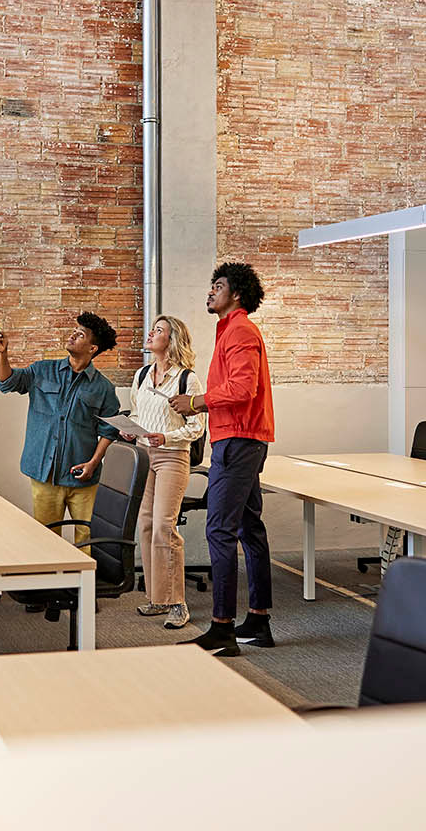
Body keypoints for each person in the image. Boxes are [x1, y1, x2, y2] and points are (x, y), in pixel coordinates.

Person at [170, 263, 275, 657]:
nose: (211, 291)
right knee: (250, 528)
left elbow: (243, 388)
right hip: (242, 439)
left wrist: (196, 402)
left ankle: (222, 629)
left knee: (220, 530)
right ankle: (259, 620)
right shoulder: (231, 331)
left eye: (219, 286)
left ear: (237, 294)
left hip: (238, 441)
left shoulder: (241, 331)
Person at [0, 312, 122, 590]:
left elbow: (109, 430)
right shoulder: (42, 371)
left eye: (81, 334)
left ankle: (83, 594)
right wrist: (3, 355)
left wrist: (94, 461)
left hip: (82, 476)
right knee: (44, 537)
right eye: (74, 331)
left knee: (85, 539)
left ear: (92, 348)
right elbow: (8, 383)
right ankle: (43, 590)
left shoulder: (103, 388)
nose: (73, 335)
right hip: (45, 472)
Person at [121, 315, 206, 631]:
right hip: (144, 455)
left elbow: (196, 427)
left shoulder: (187, 380)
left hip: (172, 457)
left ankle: (177, 603)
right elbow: (137, 411)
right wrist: (133, 429)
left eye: (158, 330)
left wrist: (165, 437)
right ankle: (158, 597)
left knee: (164, 528)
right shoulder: (142, 374)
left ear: (171, 340)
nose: (150, 334)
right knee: (145, 524)